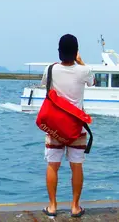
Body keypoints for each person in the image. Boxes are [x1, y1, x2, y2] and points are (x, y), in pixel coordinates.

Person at [40, 34, 94, 218]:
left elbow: (45, 87)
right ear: (76, 51)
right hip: (76, 128)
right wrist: (81, 61)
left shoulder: (50, 69)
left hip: (55, 126)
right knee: (76, 166)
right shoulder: (84, 71)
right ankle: (75, 207)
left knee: (52, 165)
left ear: (59, 51)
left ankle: (53, 206)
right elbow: (92, 82)